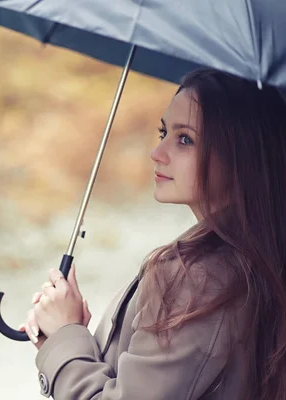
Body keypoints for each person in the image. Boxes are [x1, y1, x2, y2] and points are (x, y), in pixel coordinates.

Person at [19, 68, 286, 400]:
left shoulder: (194, 279)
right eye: (164, 132)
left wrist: (64, 337)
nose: (158, 152)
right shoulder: (262, 255)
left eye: (185, 139)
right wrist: (72, 338)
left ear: (240, 154)